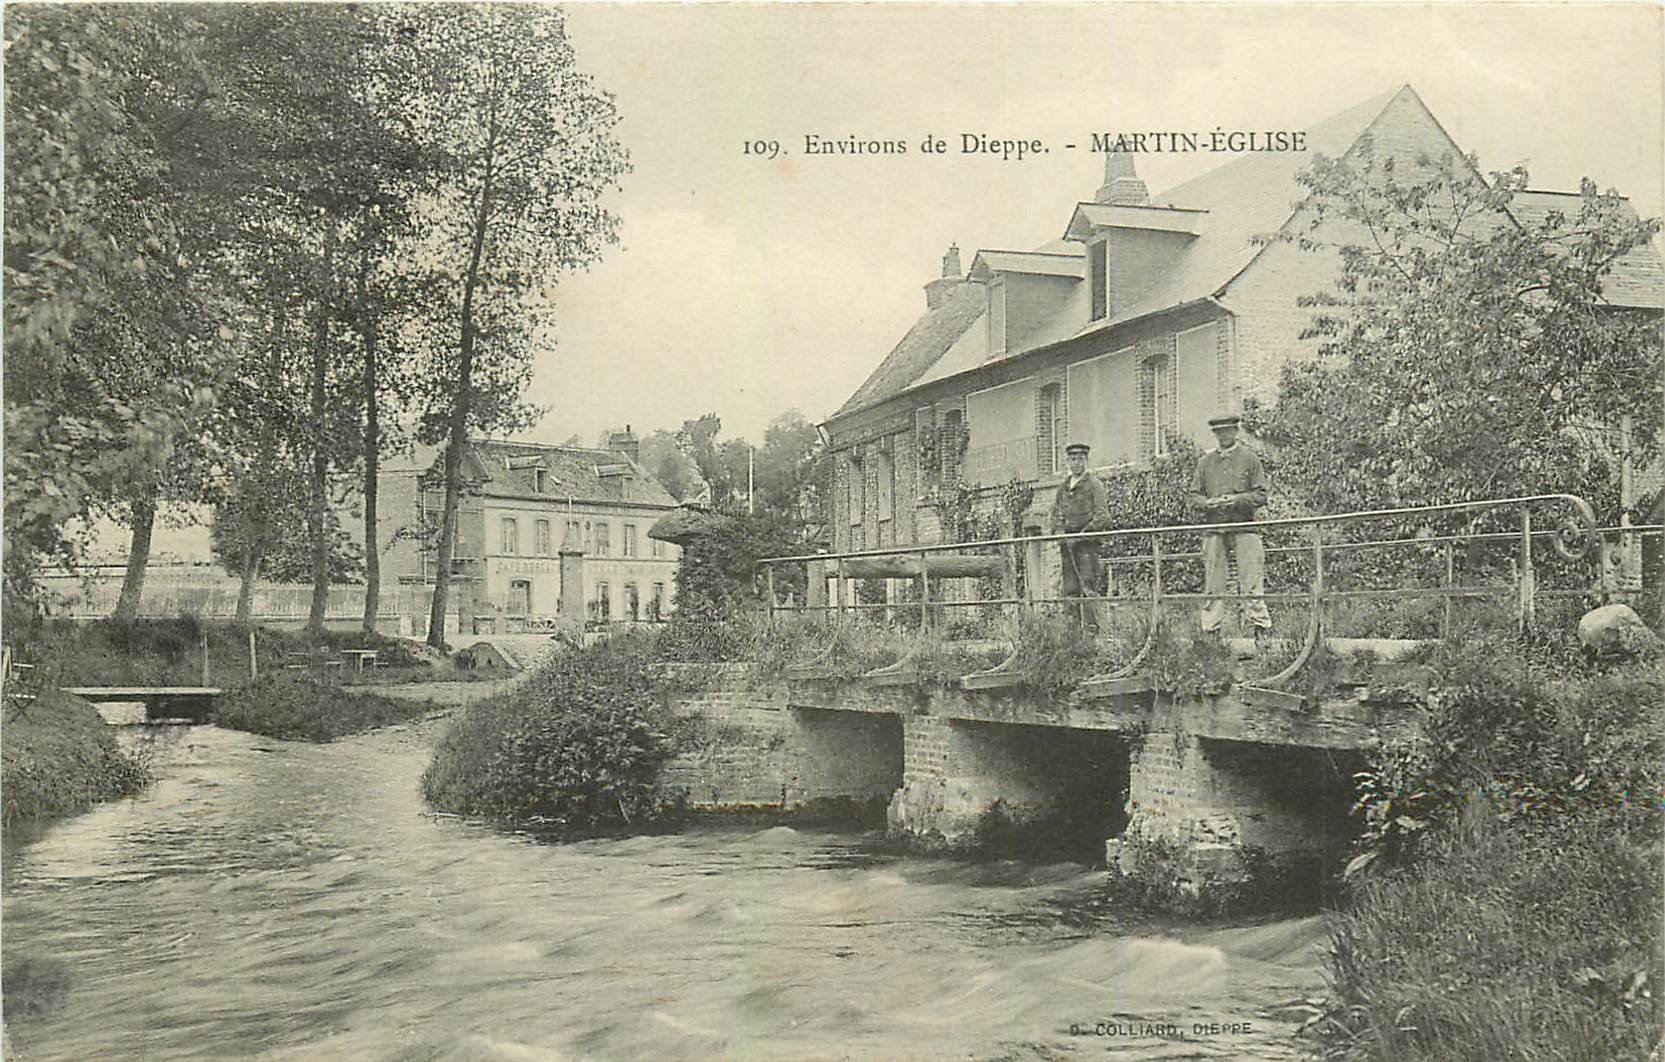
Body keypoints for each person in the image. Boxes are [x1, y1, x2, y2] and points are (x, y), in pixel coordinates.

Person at [1187, 412, 1272, 637]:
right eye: (1219, 432)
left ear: (1236, 431)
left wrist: (1237, 499)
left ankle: (1260, 630)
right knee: (1213, 582)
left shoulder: (1250, 459)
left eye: (1227, 431)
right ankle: (1211, 633)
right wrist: (1208, 503)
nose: (1223, 436)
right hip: (1214, 528)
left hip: (1244, 525)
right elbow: (1194, 497)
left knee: (1251, 580)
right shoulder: (1205, 462)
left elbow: (1261, 495)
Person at [1051, 441, 1112, 628]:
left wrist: (1080, 537)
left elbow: (1102, 516)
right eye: (1073, 459)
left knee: (1088, 587)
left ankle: (1092, 632)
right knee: (1070, 589)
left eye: (1080, 459)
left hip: (1087, 547)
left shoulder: (1094, 485)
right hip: (1067, 547)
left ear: (1086, 460)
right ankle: (1073, 633)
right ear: (1067, 461)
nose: (1076, 463)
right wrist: (1060, 533)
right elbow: (1055, 515)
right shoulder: (1063, 488)